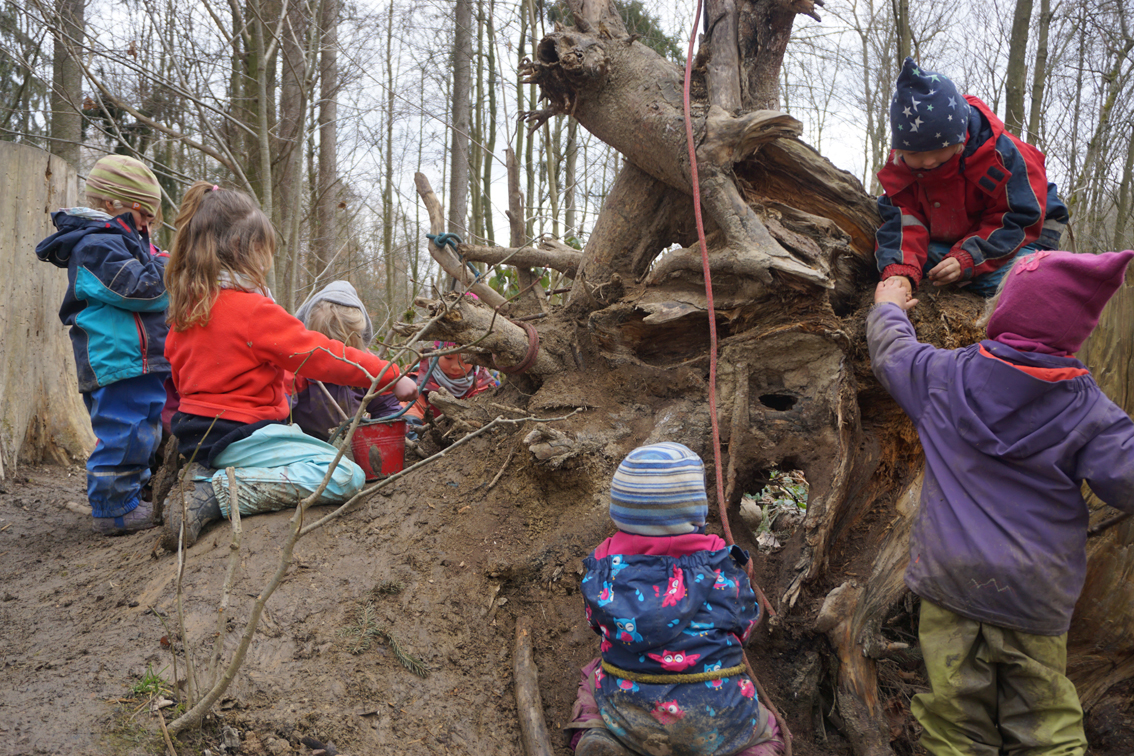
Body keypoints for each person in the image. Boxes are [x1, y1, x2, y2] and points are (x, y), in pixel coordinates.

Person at [867, 249, 1134, 755]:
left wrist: (888, 306)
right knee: (1045, 724)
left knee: (952, 720)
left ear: (1003, 311)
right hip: (1034, 595)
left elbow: (892, 353)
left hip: (950, 582)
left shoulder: (944, 376)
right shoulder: (1091, 412)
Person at [159, 181, 416, 549]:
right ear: (243, 249)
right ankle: (216, 495)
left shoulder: (188, 307)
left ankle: (207, 472)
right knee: (344, 475)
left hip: (197, 434)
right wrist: (390, 374)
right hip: (242, 434)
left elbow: (183, 376)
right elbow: (320, 355)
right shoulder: (251, 310)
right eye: (265, 250)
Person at [566, 442, 783, 756]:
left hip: (630, 715)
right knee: (766, 731)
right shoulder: (721, 563)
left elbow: (596, 624)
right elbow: (745, 624)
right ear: (696, 508)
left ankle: (600, 736)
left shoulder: (602, 565)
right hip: (717, 714)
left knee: (592, 678)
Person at [35, 154, 169, 535]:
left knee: (146, 430)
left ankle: (134, 494)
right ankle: (114, 508)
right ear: (111, 203)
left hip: (142, 359)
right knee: (123, 432)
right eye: (144, 212)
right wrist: (168, 265)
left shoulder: (124, 240)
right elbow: (142, 291)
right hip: (117, 359)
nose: (149, 222)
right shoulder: (95, 245)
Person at [875, 57, 1069, 298]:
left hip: (1025, 232)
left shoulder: (1002, 156)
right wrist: (900, 271)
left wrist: (970, 257)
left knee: (1023, 279)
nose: (927, 162)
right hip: (962, 234)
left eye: (938, 151)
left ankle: (1046, 276)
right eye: (915, 154)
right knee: (930, 264)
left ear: (959, 138)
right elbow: (904, 221)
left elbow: (1019, 217)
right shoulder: (901, 167)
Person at [290, 280, 416, 441]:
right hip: (305, 445)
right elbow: (282, 413)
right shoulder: (297, 369)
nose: (337, 359)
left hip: (350, 444)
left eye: (346, 350)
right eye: (328, 348)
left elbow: (386, 407)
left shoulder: (369, 367)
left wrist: (385, 435)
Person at [404, 341, 496, 439]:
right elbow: (409, 424)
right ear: (437, 352)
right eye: (448, 358)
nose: (456, 367)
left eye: (465, 360)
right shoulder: (416, 383)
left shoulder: (485, 384)